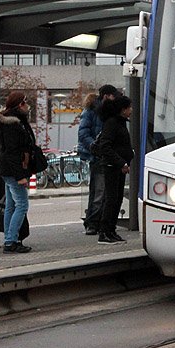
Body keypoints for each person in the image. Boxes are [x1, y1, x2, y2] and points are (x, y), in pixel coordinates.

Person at [0, 91, 35, 253]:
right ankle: (11, 241)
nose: (27, 106)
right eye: (25, 102)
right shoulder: (12, 124)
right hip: (13, 170)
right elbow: (12, 152)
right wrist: (20, 177)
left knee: (11, 205)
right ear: (19, 105)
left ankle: (10, 240)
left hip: (8, 169)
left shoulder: (14, 121)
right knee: (22, 205)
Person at [77, 84, 120, 235]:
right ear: (106, 96)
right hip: (98, 156)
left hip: (106, 155)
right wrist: (95, 147)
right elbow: (83, 134)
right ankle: (93, 222)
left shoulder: (107, 111)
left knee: (103, 192)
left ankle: (98, 222)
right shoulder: (92, 111)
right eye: (113, 95)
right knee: (99, 191)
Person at [96, 95, 134, 245]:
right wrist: (120, 162)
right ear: (122, 109)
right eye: (129, 107)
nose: (131, 110)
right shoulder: (112, 123)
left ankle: (111, 230)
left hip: (119, 166)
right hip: (112, 166)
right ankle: (104, 232)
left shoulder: (120, 123)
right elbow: (105, 146)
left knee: (117, 198)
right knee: (111, 199)